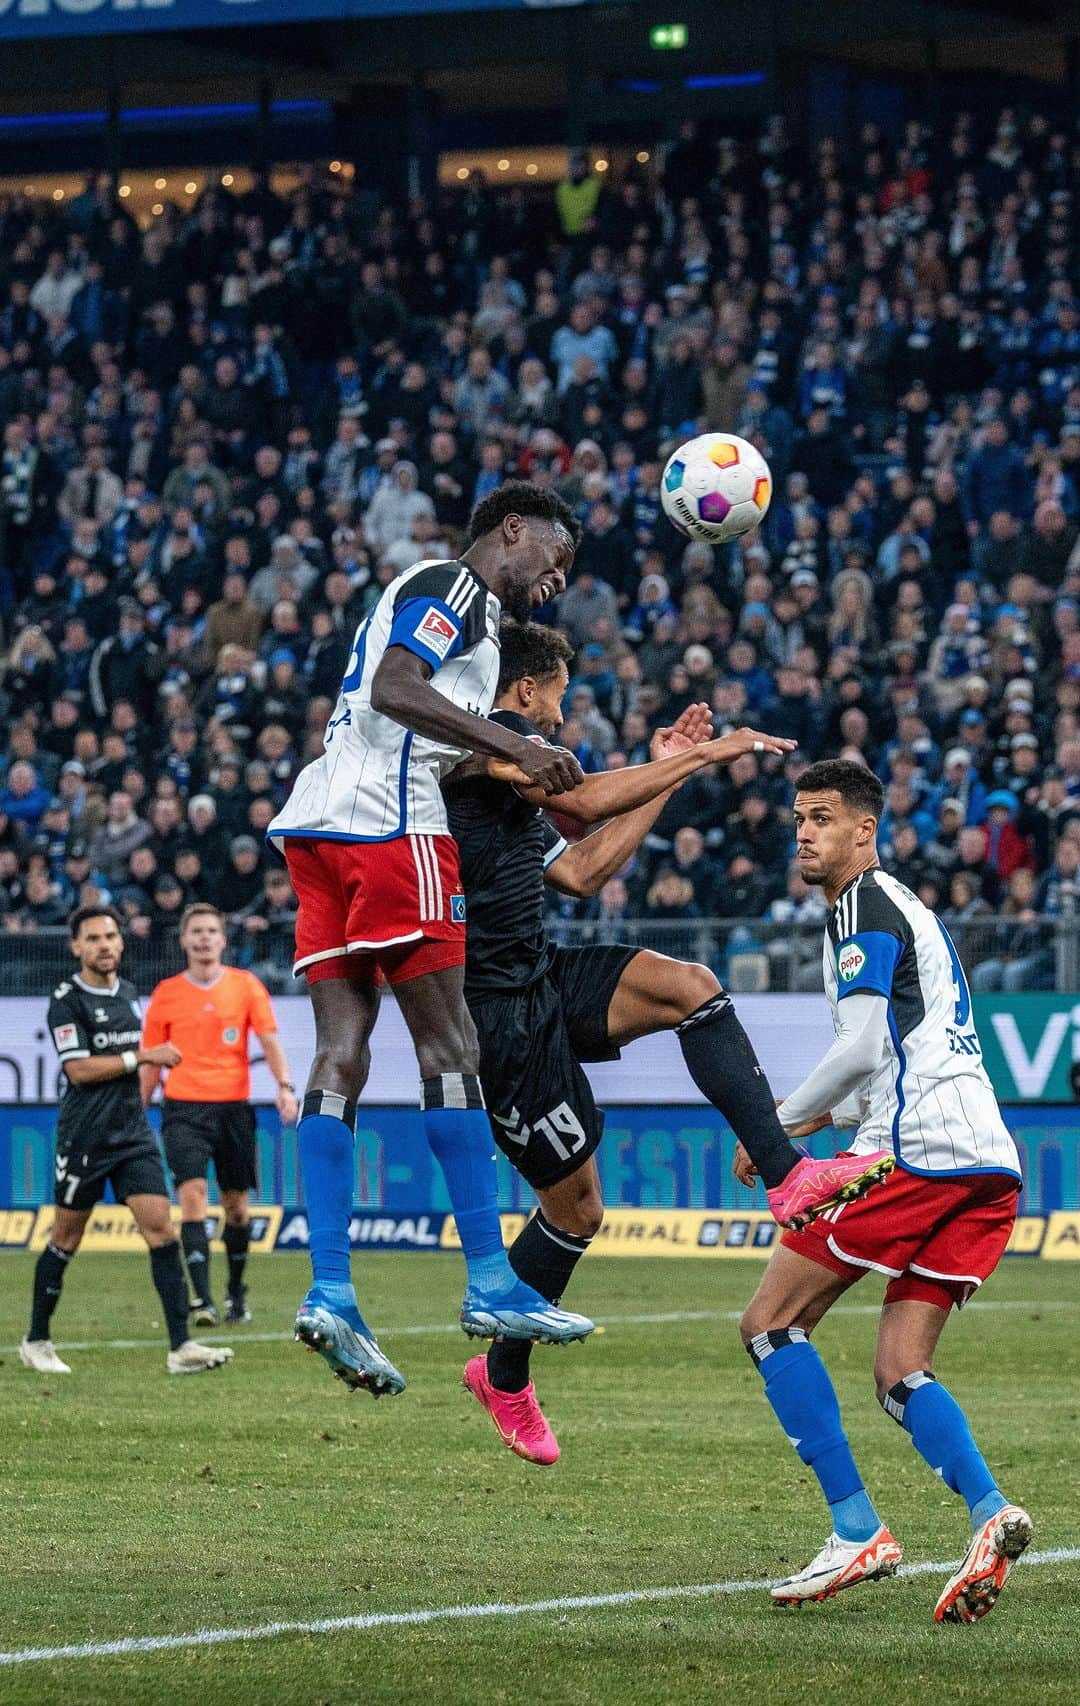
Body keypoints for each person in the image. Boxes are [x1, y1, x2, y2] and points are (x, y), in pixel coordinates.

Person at [444, 624, 895, 1465]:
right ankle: (502, 1376)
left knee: (691, 986)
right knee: (578, 1210)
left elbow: (582, 869)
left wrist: (662, 777)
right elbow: (581, 808)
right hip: (494, 1010)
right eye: (564, 695)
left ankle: (789, 1177)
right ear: (532, 689)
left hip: (538, 971)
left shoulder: (507, 772)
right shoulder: (488, 749)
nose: (567, 711)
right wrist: (695, 758)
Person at [267, 482, 594, 1399]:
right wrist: (514, 744)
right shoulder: (459, 587)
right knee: (452, 1044)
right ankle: (492, 1280)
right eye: (552, 558)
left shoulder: (445, 603)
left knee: (341, 1052)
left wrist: (506, 749)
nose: (555, 579)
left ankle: (331, 1288)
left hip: (320, 820)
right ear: (513, 530)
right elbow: (397, 687)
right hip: (391, 826)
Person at [733, 758, 1030, 1623]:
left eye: (822, 817)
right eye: (798, 817)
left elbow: (863, 1049)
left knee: (768, 1323)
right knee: (901, 1370)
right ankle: (990, 1513)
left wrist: (778, 1125)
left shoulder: (864, 903)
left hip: (916, 1152)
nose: (804, 832)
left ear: (865, 830)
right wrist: (821, 1123)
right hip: (983, 1161)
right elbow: (886, 1054)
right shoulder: (903, 913)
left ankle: (856, 1528)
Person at [21, 906, 232, 1378]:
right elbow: (77, 1070)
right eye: (93, 938)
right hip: (85, 1139)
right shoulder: (66, 1000)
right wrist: (142, 1056)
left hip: (132, 1135)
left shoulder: (129, 994)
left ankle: (181, 1347)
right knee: (65, 1238)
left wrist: (140, 1064)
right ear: (76, 947)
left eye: (111, 936)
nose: (105, 945)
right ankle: (36, 1339)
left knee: (161, 1231)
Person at [140, 902, 299, 1327]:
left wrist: (285, 1088)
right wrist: (137, 1108)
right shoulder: (167, 993)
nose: (205, 937)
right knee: (191, 1196)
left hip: (233, 1109)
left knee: (236, 1207)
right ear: (184, 940)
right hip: (183, 1109)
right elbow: (152, 1061)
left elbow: (269, 1042)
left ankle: (235, 1293)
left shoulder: (246, 987)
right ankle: (203, 1300)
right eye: (197, 931)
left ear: (223, 939)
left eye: (212, 930)